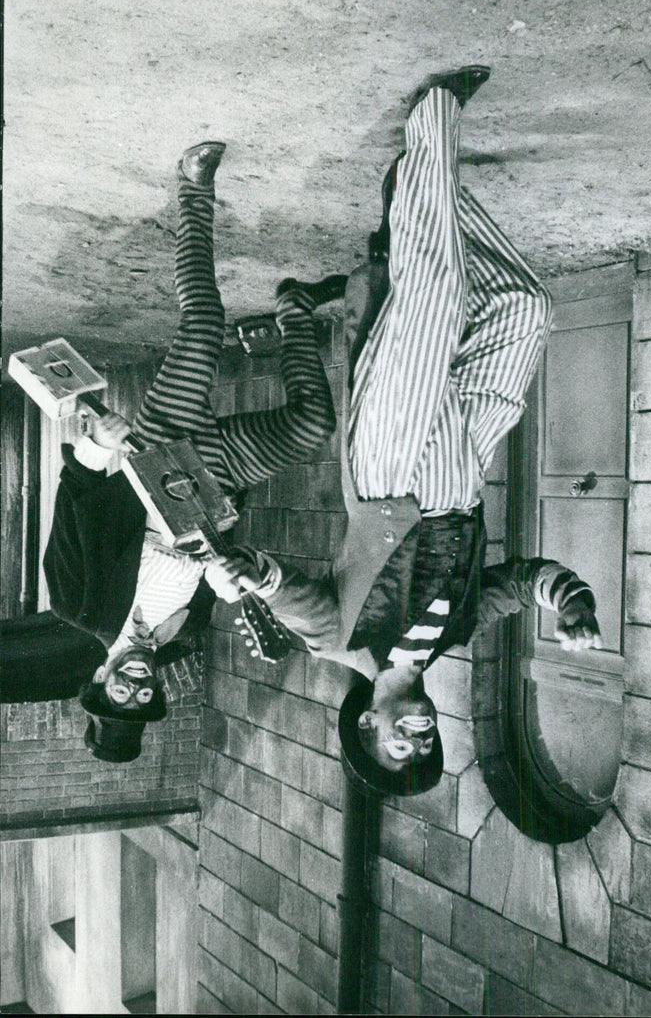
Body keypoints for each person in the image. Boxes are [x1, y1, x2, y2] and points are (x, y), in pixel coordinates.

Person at [206, 68, 603, 796]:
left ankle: (433, 118)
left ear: (366, 727)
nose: (419, 738)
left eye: (400, 747)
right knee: (524, 308)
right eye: (427, 747)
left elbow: (283, 589)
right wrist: (570, 601)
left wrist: (249, 574)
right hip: (462, 470)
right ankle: (416, 193)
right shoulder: (451, 637)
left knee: (432, 303)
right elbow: (515, 585)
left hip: (388, 472)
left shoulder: (339, 643)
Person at [43, 141, 343, 762]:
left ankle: (193, 189)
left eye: (118, 694)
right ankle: (293, 312)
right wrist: (231, 574)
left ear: (100, 681)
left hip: (156, 456)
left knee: (203, 325)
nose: (135, 685)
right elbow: (217, 558)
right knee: (314, 425)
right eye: (143, 698)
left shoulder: (81, 608)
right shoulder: (185, 636)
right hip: (217, 480)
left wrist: (98, 448)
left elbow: (73, 506)